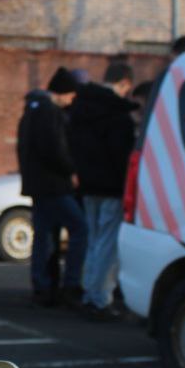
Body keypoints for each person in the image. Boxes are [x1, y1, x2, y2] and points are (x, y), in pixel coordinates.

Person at [68, 62, 138, 321]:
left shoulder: (82, 109)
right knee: (108, 245)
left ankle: (91, 293)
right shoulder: (118, 115)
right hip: (113, 187)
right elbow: (122, 156)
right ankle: (100, 298)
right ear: (125, 83)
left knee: (94, 241)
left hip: (88, 185)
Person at [16, 67, 87, 307]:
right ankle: (70, 283)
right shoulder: (50, 112)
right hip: (54, 185)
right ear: (63, 92)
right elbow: (54, 149)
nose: (72, 100)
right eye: (71, 94)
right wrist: (71, 170)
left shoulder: (32, 111)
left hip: (38, 185)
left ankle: (42, 285)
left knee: (43, 236)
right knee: (80, 228)